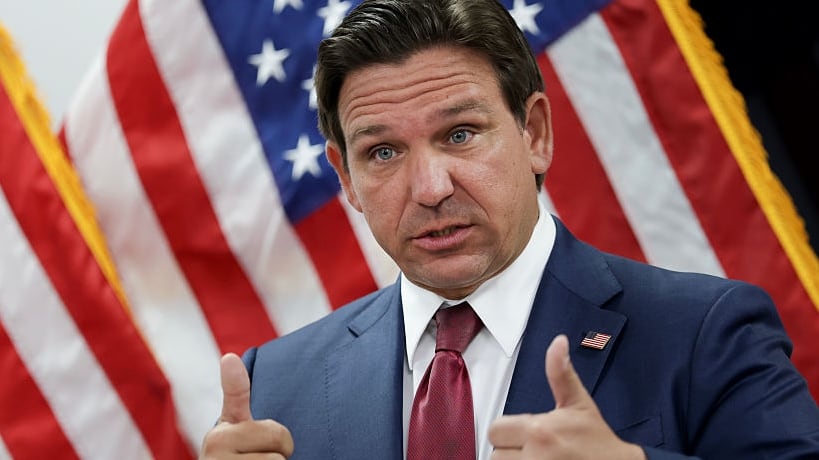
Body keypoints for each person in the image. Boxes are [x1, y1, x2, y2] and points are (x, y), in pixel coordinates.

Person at [199, 0, 819, 458]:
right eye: (382, 152)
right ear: (347, 179)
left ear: (535, 134)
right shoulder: (274, 386)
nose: (430, 188)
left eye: (459, 134)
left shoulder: (704, 332)